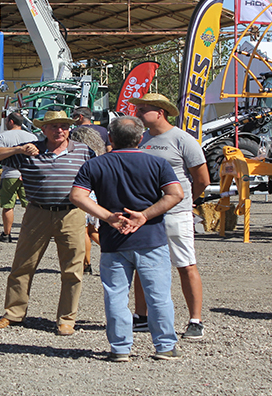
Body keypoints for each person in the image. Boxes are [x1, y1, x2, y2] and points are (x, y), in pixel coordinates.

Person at [70, 116, 184, 361]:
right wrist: (144, 215)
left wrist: (109, 217)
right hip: (151, 238)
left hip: (113, 240)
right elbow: (176, 194)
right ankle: (164, 346)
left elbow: (77, 196)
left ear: (110, 138)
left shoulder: (95, 165)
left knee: (116, 295)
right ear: (141, 138)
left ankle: (120, 348)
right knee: (158, 295)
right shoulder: (157, 163)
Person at [0, 110, 94, 336]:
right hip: (37, 212)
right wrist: (18, 149)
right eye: (53, 126)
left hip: (71, 213)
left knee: (72, 269)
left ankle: (67, 319)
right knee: (23, 265)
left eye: (64, 126)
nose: (59, 130)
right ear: (43, 129)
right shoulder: (30, 149)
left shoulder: (83, 150)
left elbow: (99, 173)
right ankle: (13, 313)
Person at [129, 93, 209, 340]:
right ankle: (142, 316)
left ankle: (195, 320)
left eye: (142, 110)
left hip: (176, 213)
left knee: (185, 264)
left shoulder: (182, 139)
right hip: (146, 214)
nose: (138, 114)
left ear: (159, 112)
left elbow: (202, 179)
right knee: (142, 266)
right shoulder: (140, 140)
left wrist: (186, 201)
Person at [0, 112, 37, 243]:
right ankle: (31, 233)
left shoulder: (3, 136)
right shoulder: (32, 136)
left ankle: (6, 233)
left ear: (10, 122)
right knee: (30, 206)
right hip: (28, 174)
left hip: (10, 173)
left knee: (8, 206)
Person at [69, 125, 108, 274]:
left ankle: (86, 263)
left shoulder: (78, 154)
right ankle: (112, 251)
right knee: (93, 231)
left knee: (83, 231)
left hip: (83, 194)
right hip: (95, 195)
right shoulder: (99, 154)